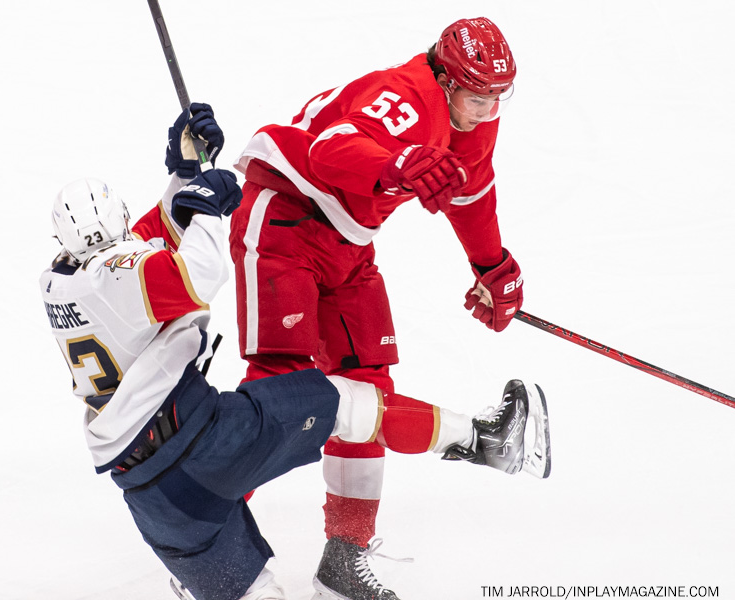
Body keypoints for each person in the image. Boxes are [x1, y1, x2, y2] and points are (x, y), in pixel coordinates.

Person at [40, 104, 549, 600]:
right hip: (209, 440)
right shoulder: (123, 276)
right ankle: (483, 439)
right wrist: (207, 212)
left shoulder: (58, 282)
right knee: (349, 402)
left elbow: (144, 245)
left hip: (153, 498)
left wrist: (185, 173)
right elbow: (196, 273)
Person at [228, 17, 536, 600]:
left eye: (499, 98)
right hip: (286, 221)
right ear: (446, 80)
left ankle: (345, 555)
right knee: (280, 388)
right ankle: (203, 538)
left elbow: (471, 193)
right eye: (477, 97)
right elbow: (329, 150)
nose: (488, 111)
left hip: (349, 242)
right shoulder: (406, 96)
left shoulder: (473, 115)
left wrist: (492, 267)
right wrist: (395, 166)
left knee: (367, 385)